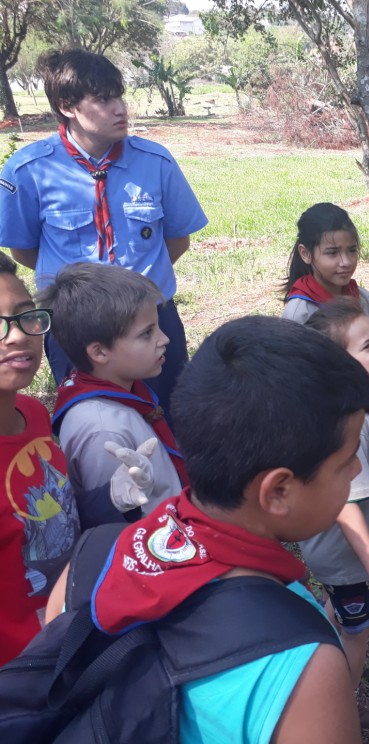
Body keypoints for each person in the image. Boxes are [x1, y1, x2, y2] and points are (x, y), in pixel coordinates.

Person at [46, 315, 369, 743]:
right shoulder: (303, 662)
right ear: (277, 491)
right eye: (346, 459)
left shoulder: (90, 560)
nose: (357, 468)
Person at [0, 49, 208, 420]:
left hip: (152, 319)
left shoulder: (155, 162)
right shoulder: (28, 171)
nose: (120, 108)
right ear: (67, 106)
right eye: (103, 99)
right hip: (74, 327)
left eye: (119, 96)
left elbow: (177, 240)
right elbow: (24, 250)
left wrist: (133, 291)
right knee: (93, 420)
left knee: (174, 416)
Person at [0, 252, 152, 665]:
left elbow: (55, 517)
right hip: (22, 675)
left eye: (25, 315)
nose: (17, 336)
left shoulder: (32, 414)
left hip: (75, 635)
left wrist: (113, 497)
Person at [300, 300, 369, 727]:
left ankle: (312, 665)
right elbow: (346, 504)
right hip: (348, 560)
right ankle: (343, 710)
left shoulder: (341, 406)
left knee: (339, 609)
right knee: (357, 634)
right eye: (367, 347)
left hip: (331, 556)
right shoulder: (353, 423)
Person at [39, 262, 185, 517]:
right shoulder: (103, 430)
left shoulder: (121, 390)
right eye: (147, 333)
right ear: (99, 352)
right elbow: (116, 519)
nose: (164, 339)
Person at [282, 202, 369, 392]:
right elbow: (297, 385)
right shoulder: (300, 312)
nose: (345, 262)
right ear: (306, 253)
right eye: (332, 253)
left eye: (352, 250)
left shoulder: (363, 299)